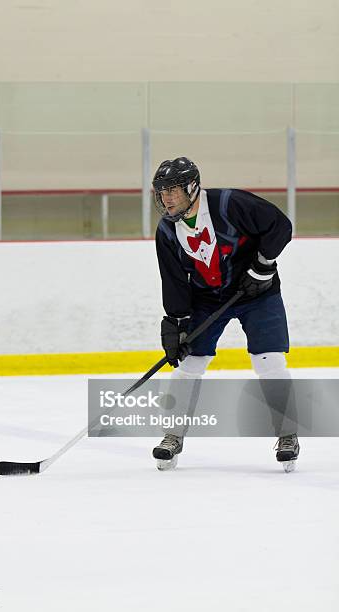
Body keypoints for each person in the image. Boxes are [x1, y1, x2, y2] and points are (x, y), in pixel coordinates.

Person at [152, 156, 300, 471]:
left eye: (173, 190)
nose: (167, 198)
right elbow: (175, 280)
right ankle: (172, 436)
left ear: (192, 188)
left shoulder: (228, 204)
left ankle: (287, 434)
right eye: (162, 191)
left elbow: (280, 226)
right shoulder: (167, 230)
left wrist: (261, 267)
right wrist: (174, 322)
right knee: (190, 363)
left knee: (269, 360)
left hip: (257, 294)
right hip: (207, 299)